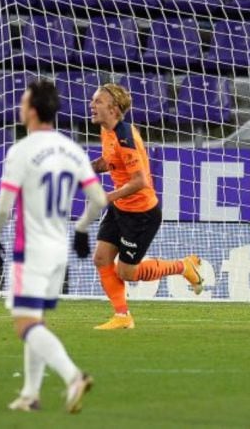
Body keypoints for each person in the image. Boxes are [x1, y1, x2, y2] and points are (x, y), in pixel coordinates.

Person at [0, 79, 106, 413]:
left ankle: (73, 376)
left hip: (32, 251)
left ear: (33, 110)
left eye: (23, 102)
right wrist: (82, 230)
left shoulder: (22, 150)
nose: (20, 107)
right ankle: (30, 394)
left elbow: (3, 207)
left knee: (24, 324)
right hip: (59, 249)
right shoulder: (72, 149)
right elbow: (98, 199)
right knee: (35, 320)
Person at [85, 83, 203, 330]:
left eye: (97, 101)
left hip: (141, 214)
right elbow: (110, 161)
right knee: (101, 258)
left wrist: (107, 197)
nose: (91, 105)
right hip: (121, 207)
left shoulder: (126, 136)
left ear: (114, 109)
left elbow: (141, 181)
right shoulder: (107, 130)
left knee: (126, 272)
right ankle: (122, 316)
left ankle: (183, 266)